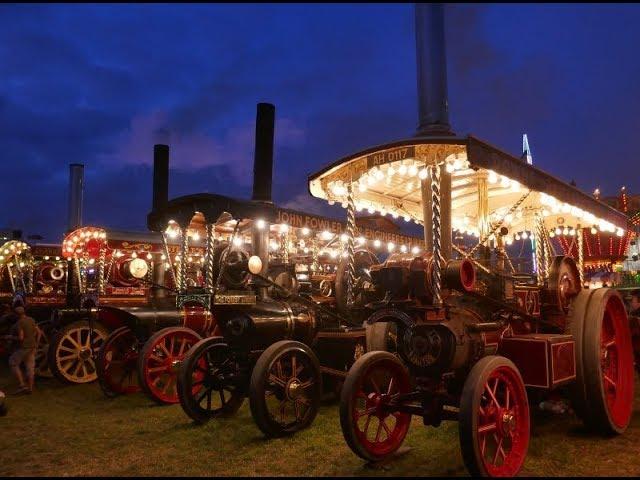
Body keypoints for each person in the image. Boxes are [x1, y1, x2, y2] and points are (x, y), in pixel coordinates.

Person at [7, 305, 37, 394]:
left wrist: (10, 337)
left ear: (16, 315)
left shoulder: (20, 323)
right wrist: (36, 342)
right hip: (32, 346)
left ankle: (22, 385)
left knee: (13, 362)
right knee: (30, 367)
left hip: (24, 347)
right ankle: (30, 388)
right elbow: (37, 332)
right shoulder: (31, 320)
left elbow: (20, 338)